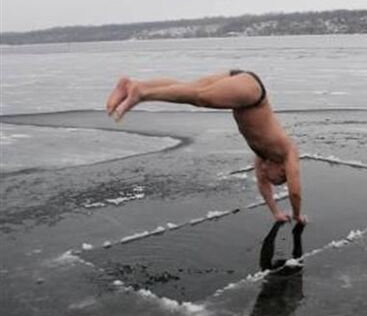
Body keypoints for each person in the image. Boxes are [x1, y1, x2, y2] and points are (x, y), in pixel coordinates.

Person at [105, 70, 306, 224]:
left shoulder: (263, 156)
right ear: (282, 171)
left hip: (241, 89)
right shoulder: (288, 152)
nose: (262, 172)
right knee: (201, 97)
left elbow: (263, 187)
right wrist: (297, 216)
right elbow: (295, 191)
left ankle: (133, 85)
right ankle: (140, 93)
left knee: (189, 88)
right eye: (273, 177)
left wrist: (277, 213)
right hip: (253, 93)